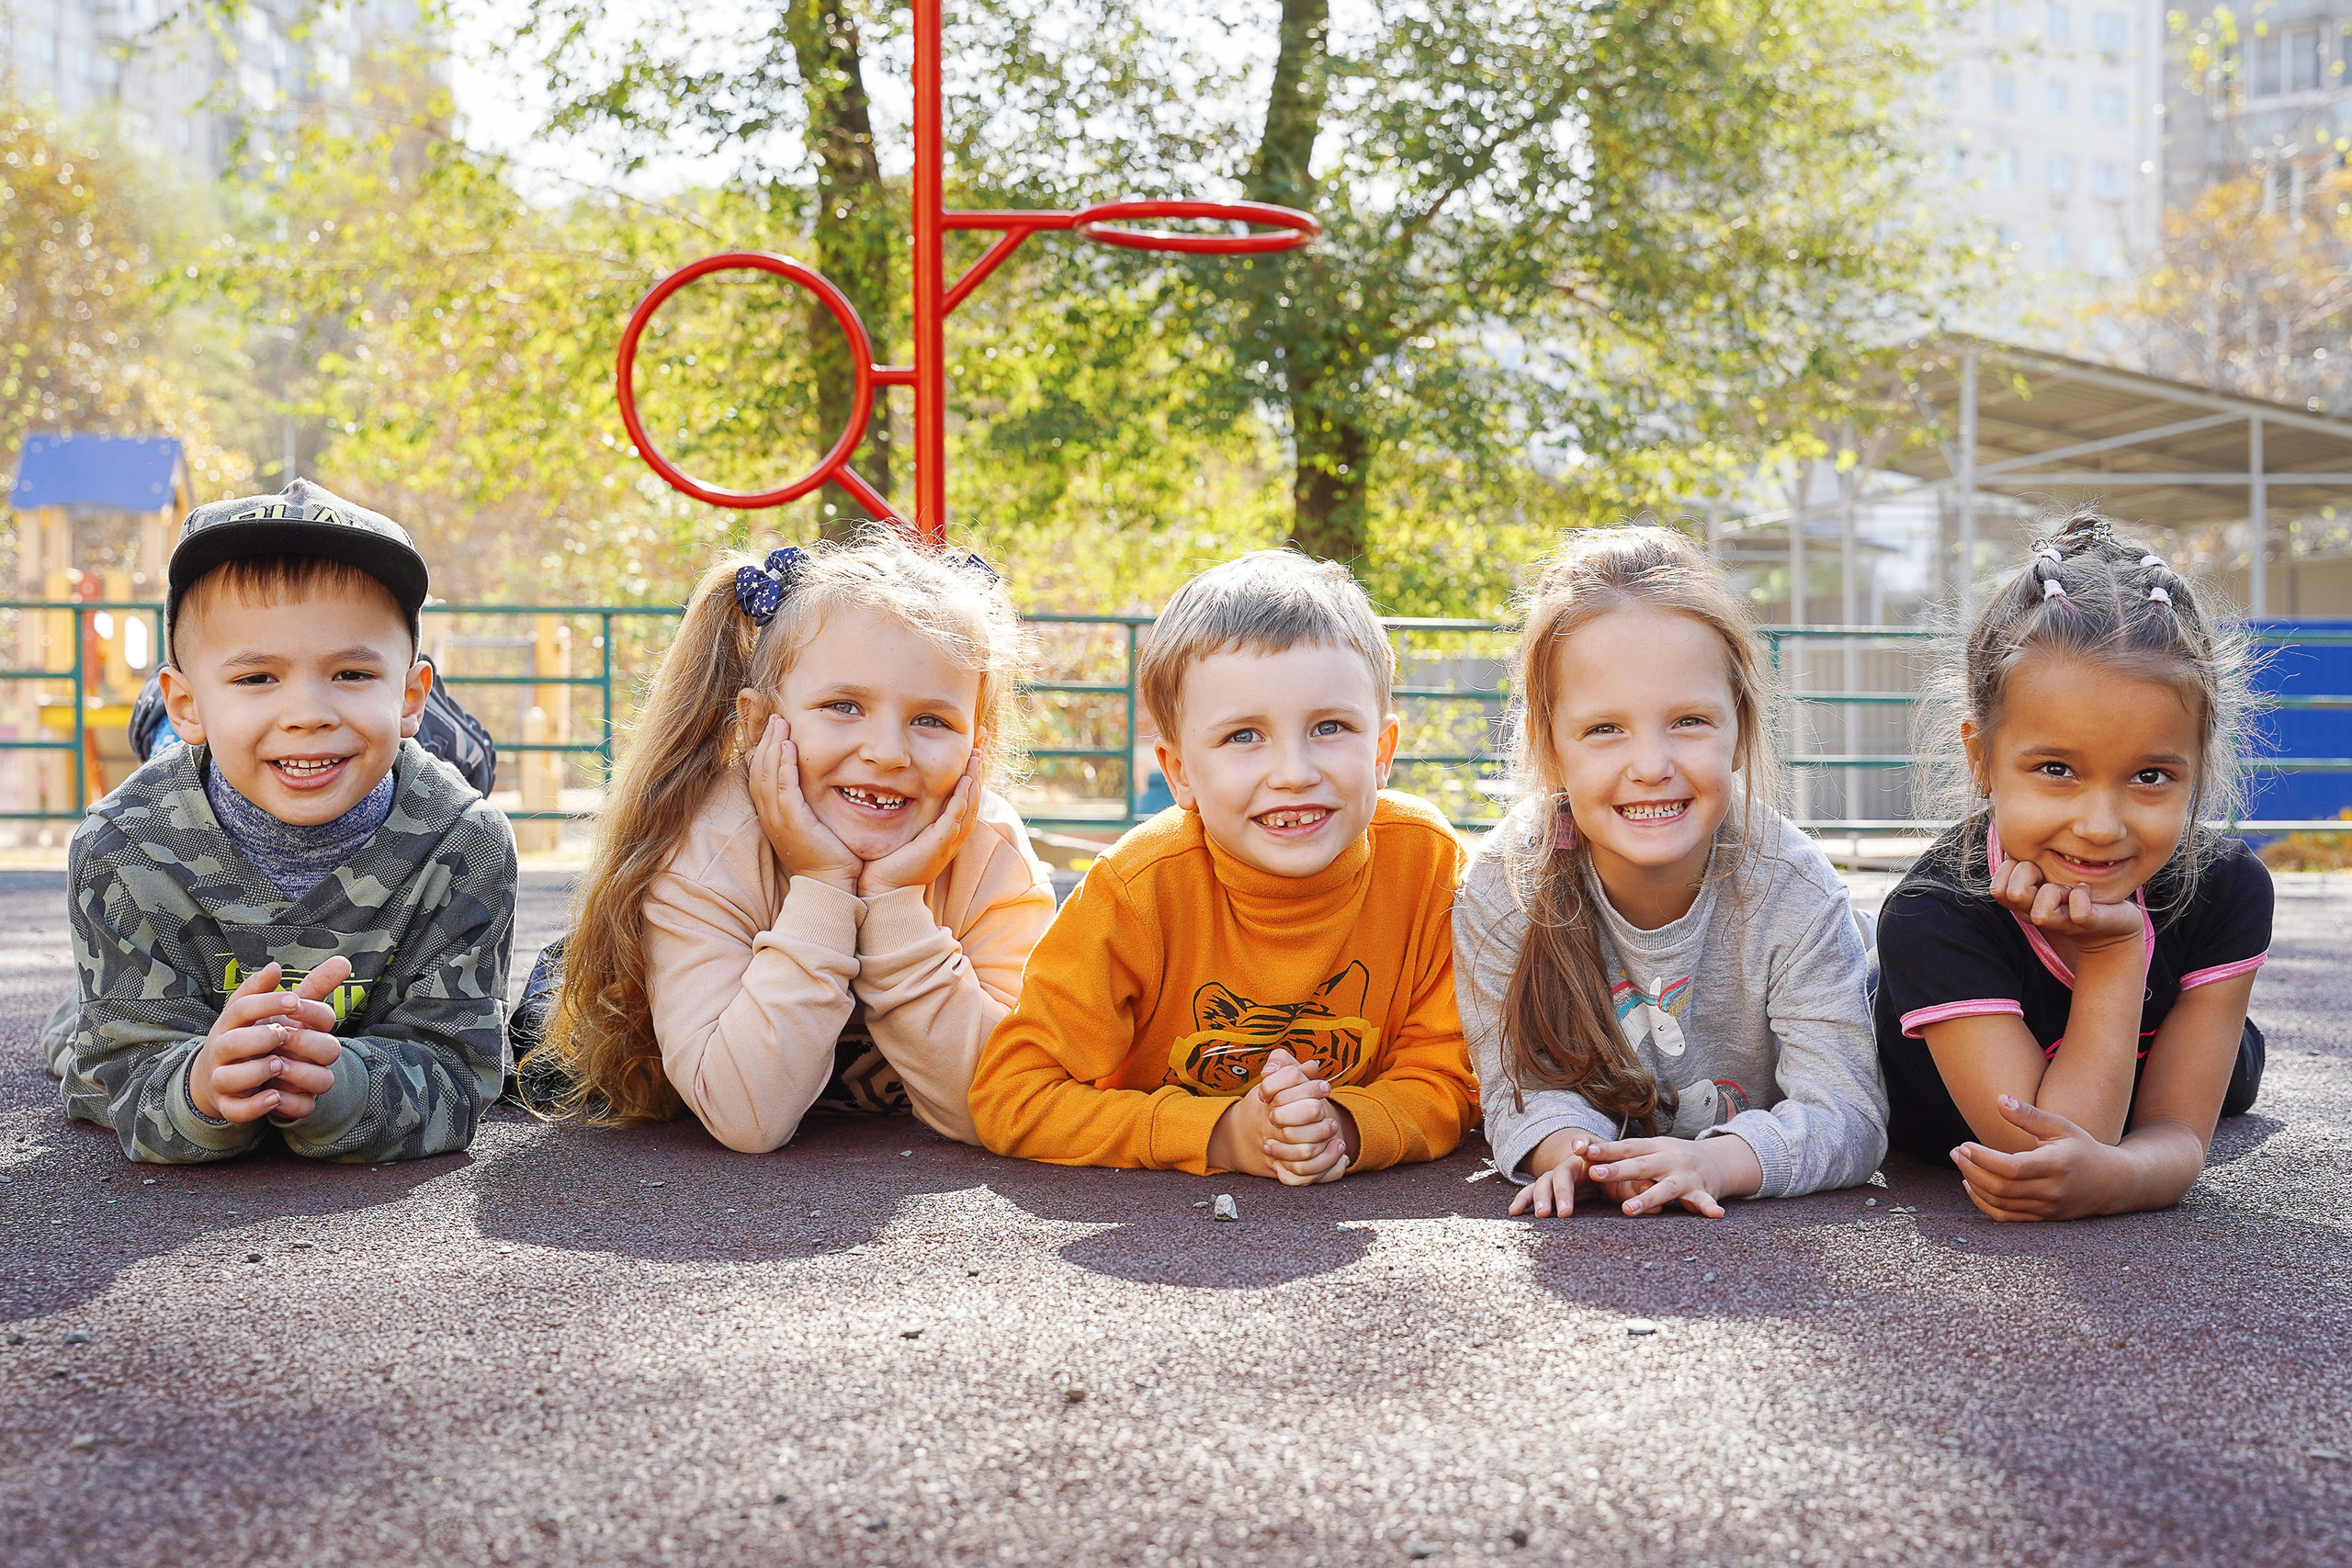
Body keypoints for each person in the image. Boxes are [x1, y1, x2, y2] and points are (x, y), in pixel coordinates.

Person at [528, 532, 1053, 1153]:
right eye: (843, 706)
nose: (886, 751)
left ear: (978, 743)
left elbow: (1007, 1100)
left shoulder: (991, 853)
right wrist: (824, 888)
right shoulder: (711, 847)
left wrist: (893, 903)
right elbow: (747, 1117)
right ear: (757, 724)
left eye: (931, 720)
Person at [968, 549, 1477, 1182]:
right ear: (1180, 771)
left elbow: (1448, 1071)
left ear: (1381, 751)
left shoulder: (1426, 863)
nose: (1294, 772)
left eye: (1330, 726)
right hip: (1167, 1225)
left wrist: (1346, 1125)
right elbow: (1012, 1095)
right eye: (1244, 736)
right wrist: (1219, 1136)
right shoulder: (1136, 890)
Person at [60, 479, 517, 1164]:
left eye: (352, 673)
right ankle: (172, 734)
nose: (308, 710)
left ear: (413, 694)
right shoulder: (122, 850)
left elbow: (458, 1070)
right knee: (76, 1038)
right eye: (257, 677)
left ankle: (353, 711)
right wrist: (202, 1088)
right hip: (175, 890)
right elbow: (128, 1075)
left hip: (402, 777)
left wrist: (339, 1088)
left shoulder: (465, 846)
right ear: (187, 701)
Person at [1455, 525, 1885, 1218]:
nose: (1651, 764)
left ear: (1740, 730)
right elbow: (1519, 1090)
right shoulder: (1505, 886)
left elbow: (1846, 1112)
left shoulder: (1793, 886)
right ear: (1549, 745)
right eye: (1605, 729)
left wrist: (1715, 1161)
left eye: (1688, 720)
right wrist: (1577, 1154)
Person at [1872, 512, 2269, 1221]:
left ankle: (2214, 1033)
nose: (2100, 826)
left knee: (2231, 1080)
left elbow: (2174, 1135)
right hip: (1935, 1056)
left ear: (2197, 769)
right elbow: (2046, 1149)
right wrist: (2117, 954)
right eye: (2057, 768)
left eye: (2151, 776)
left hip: (2162, 1039)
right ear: (1981, 758)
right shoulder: (1933, 914)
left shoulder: (2227, 887)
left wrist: (2130, 1175)